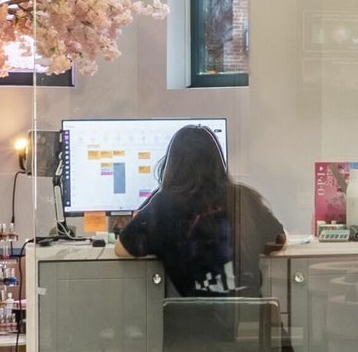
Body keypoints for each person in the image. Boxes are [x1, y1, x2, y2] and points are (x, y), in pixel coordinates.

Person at [115, 124, 285, 297]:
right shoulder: (242, 197)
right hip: (251, 319)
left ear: (172, 165)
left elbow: (122, 248)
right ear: (218, 162)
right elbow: (279, 239)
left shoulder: (164, 206)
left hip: (196, 320)